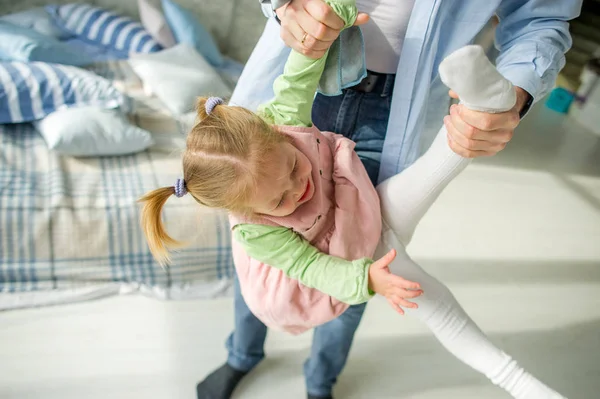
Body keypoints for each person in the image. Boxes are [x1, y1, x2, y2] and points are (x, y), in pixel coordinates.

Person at [139, 2, 572, 398]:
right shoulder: (256, 229)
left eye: (293, 168)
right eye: (280, 201)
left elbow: (300, 72)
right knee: (260, 284)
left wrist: (338, 9)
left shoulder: (285, 122)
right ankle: (242, 355)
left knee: (365, 272)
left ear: (282, 133)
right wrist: (366, 280)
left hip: (395, 104)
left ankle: (320, 383)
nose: (299, 189)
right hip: (289, 289)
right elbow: (309, 266)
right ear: (251, 213)